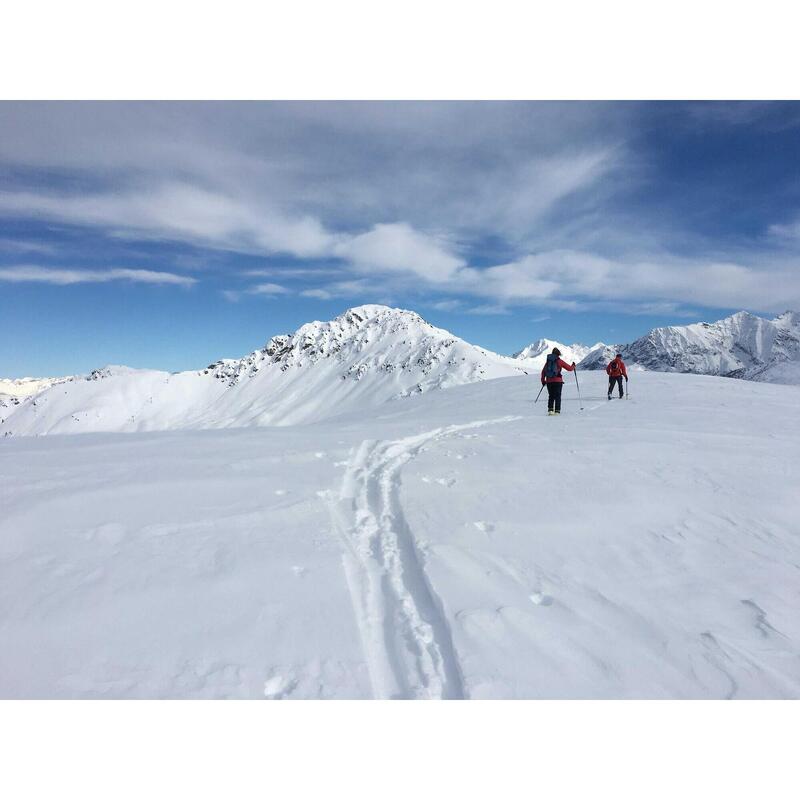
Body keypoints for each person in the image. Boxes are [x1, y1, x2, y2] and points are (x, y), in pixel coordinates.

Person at [540, 347, 576, 415]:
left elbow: (543, 372)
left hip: (549, 381)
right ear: (558, 354)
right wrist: (573, 365)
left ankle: (550, 410)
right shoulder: (559, 361)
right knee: (557, 396)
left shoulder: (548, 361)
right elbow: (569, 368)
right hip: (558, 381)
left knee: (551, 396)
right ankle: (557, 411)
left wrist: (543, 380)